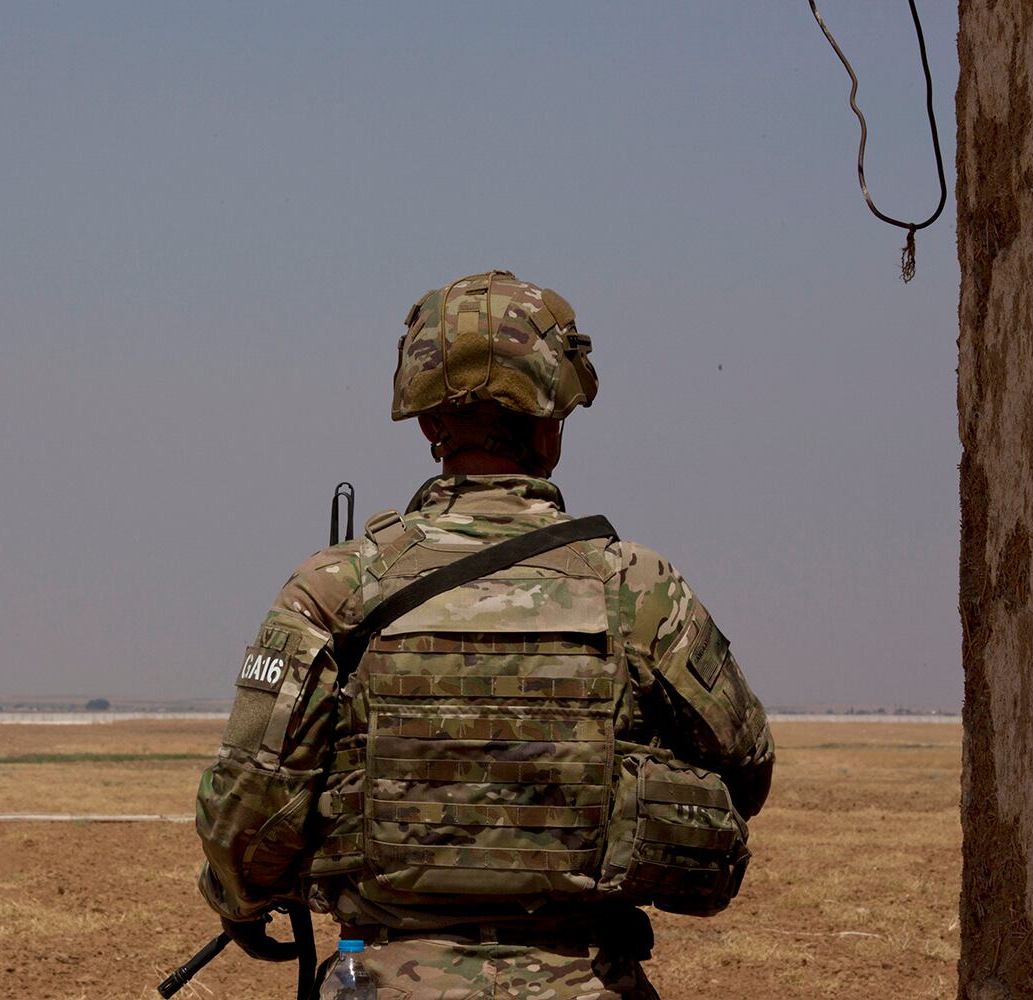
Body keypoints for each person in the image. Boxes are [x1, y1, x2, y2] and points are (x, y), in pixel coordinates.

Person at [196, 269, 775, 999]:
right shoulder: (638, 586)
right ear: (551, 428)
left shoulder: (334, 587)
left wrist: (241, 901)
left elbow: (247, 815)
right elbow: (748, 768)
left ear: (430, 426)